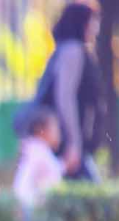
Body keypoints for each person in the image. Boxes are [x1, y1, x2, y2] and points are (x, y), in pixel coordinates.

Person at [31, 2, 104, 181]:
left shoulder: (66, 50)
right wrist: (74, 143)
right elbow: (65, 97)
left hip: (65, 139)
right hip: (66, 142)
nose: (96, 27)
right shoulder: (73, 51)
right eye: (92, 21)